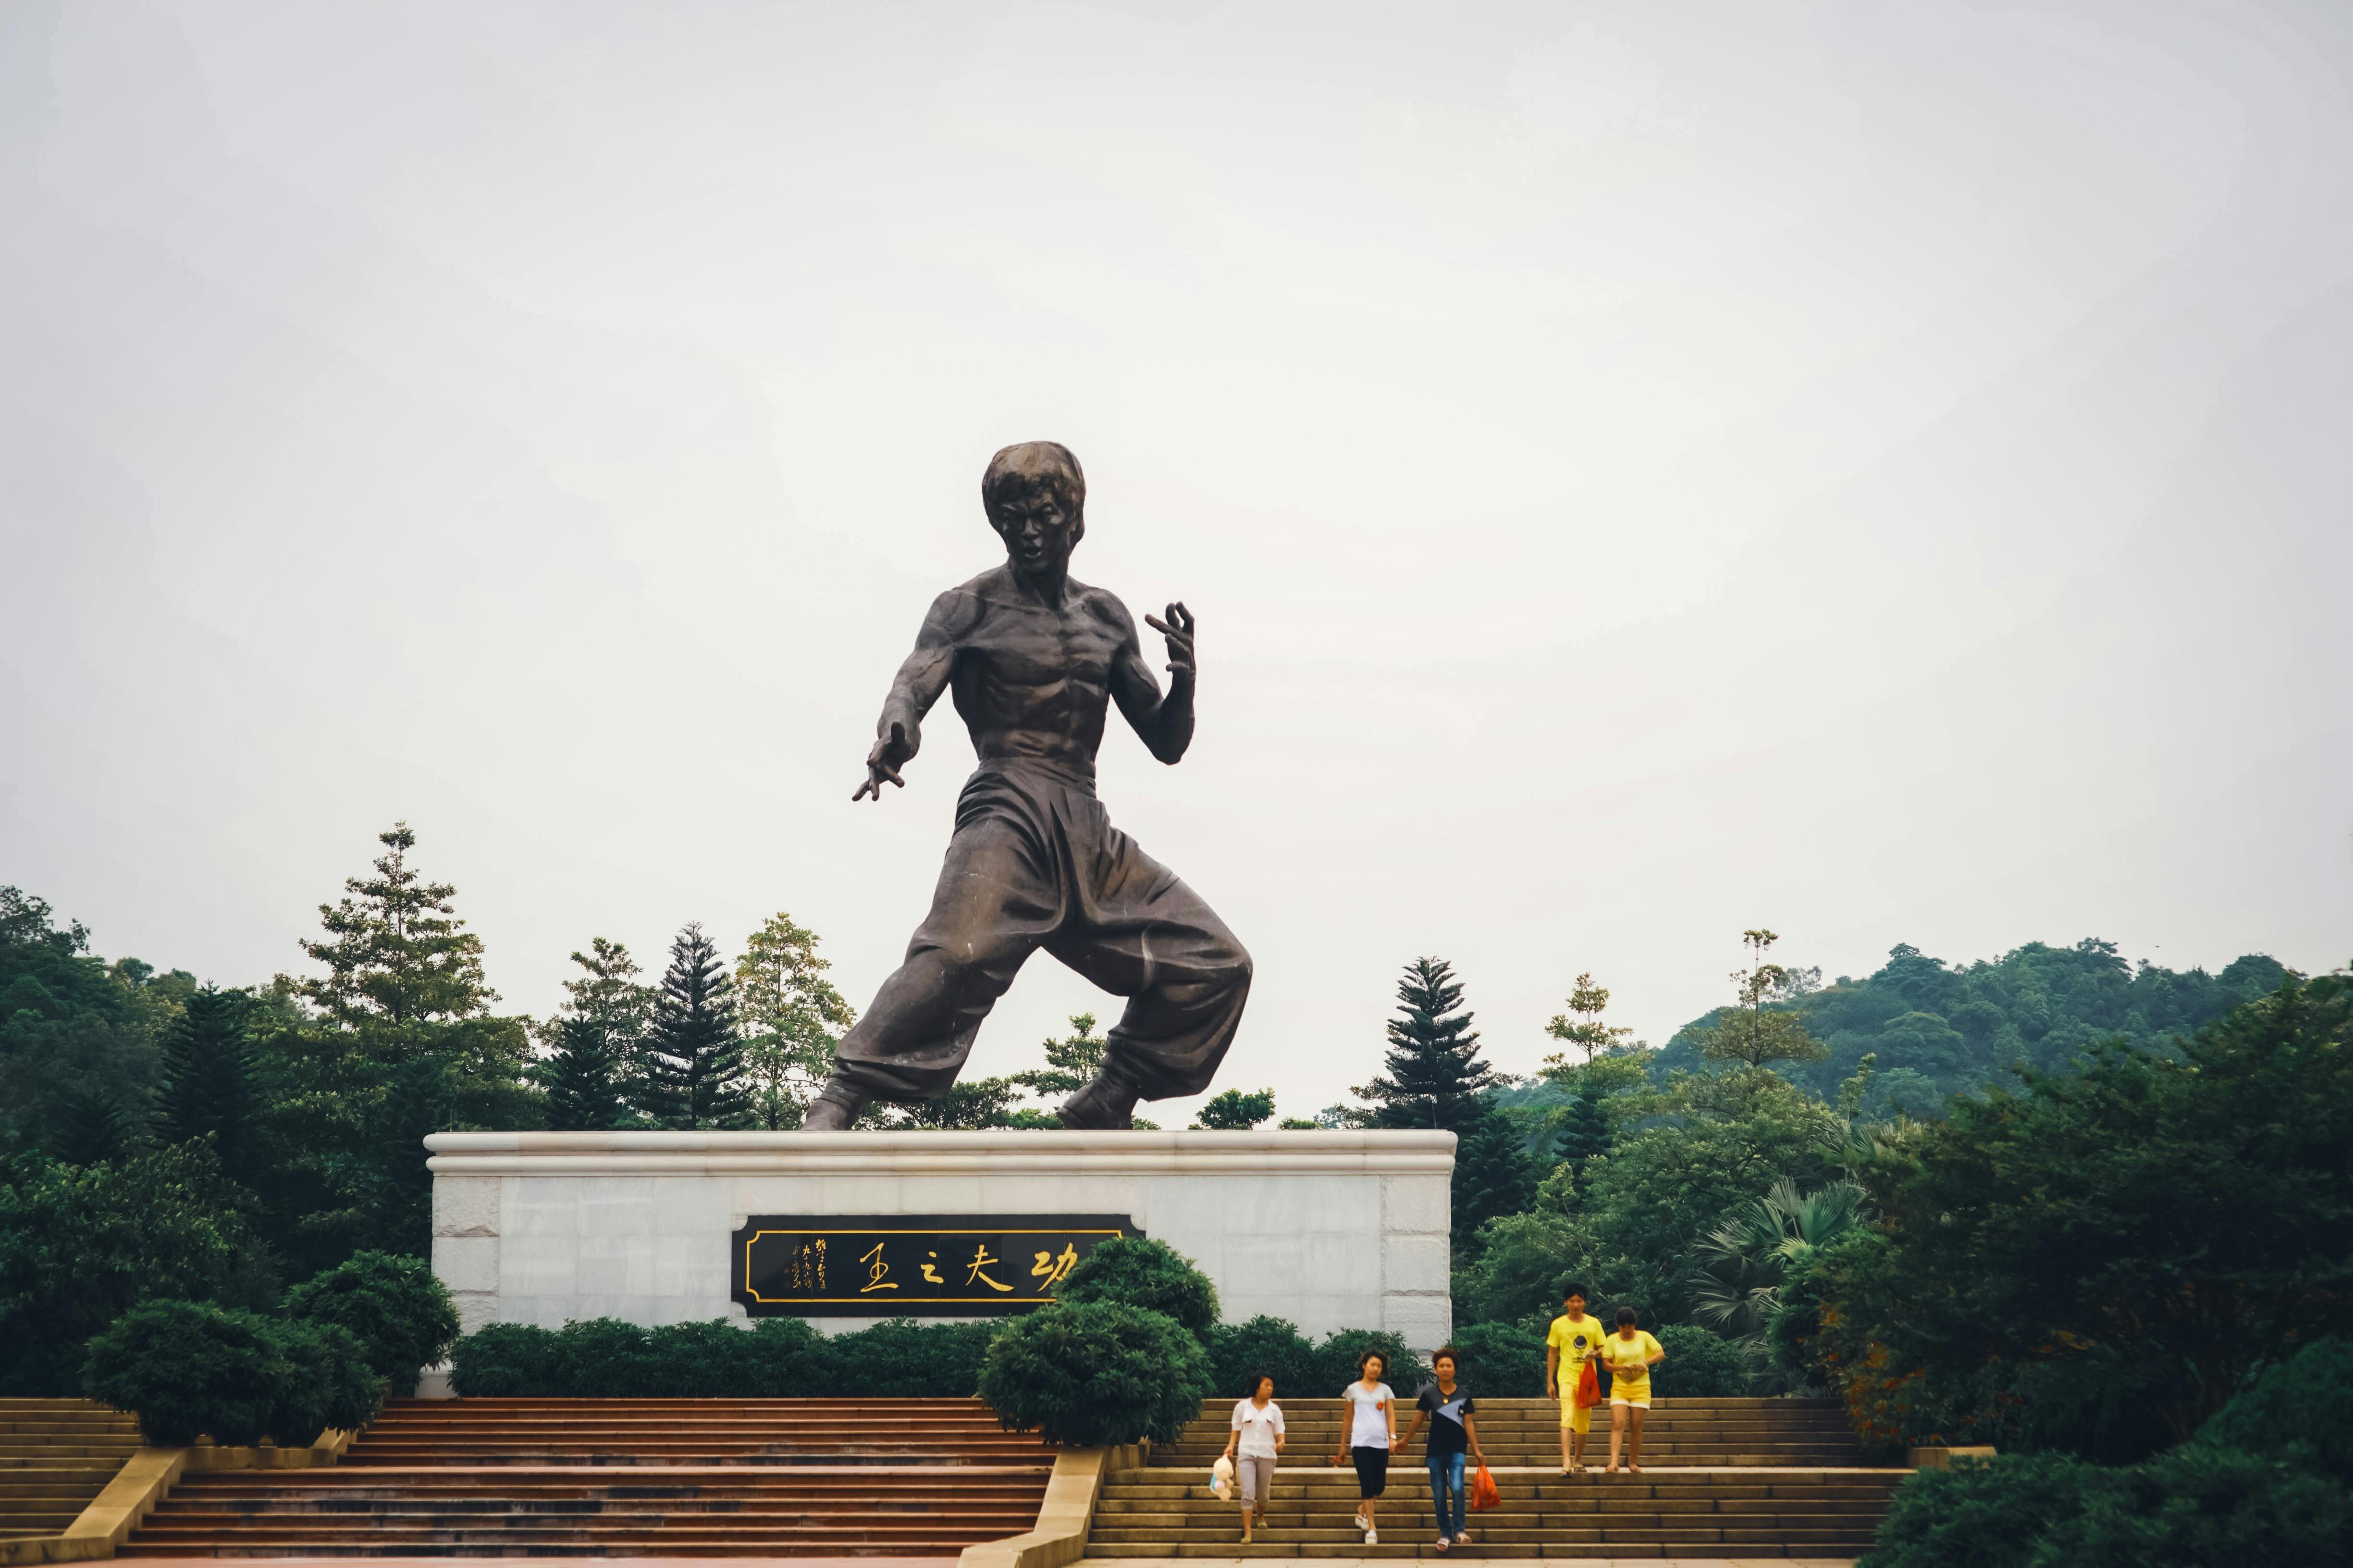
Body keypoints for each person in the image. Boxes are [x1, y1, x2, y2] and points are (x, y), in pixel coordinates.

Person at [801, 441, 1253, 1130]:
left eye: (1043, 515)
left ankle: (1109, 1096)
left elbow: (1165, 744)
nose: (1030, 532)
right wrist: (897, 730)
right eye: (1013, 519)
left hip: (1086, 822)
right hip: (1007, 807)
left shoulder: (1106, 618)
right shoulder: (967, 607)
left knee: (1217, 963)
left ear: (1076, 522)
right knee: (953, 953)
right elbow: (914, 680)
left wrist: (1186, 681)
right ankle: (840, 1097)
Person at [1396, 1346, 1486, 1553]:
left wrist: (1477, 1450)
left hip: (1458, 1449)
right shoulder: (1429, 1394)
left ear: (1455, 1370)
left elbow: (1469, 1423)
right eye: (1441, 1366)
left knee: (1457, 1488)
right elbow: (1419, 1419)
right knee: (1438, 1494)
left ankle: (1460, 1530)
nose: (1445, 1369)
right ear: (1436, 1370)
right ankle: (1445, 1534)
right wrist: (1405, 1440)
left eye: (1449, 1366)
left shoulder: (1464, 1394)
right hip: (1435, 1451)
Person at [1331, 1350, 1396, 1546]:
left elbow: (1391, 1415)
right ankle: (1372, 1529)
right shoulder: (1353, 1390)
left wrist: (1393, 1437)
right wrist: (1343, 1445)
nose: (1376, 1368)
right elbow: (1348, 1418)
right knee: (1367, 1484)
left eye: (1379, 1366)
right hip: (1360, 1443)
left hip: (1381, 1443)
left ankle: (1362, 1510)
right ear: (1364, 1366)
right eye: (1373, 1364)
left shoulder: (1385, 1390)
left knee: (1380, 1487)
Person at [1543, 1282, 1608, 1476]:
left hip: (1587, 1380)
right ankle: (1566, 1463)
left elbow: (1605, 1348)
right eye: (1572, 1301)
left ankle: (1577, 1460)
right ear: (1566, 1302)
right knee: (1567, 1417)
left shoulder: (1594, 1323)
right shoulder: (1558, 1324)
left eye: (1579, 1300)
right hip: (1566, 1377)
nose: (1576, 1304)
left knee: (1583, 1424)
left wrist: (1595, 1354)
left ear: (1585, 1302)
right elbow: (1553, 1353)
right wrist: (1550, 1381)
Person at [1220, 1373, 1285, 1543]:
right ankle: (1248, 1531)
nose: (1270, 1389)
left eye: (1272, 1386)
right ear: (1257, 1387)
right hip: (1246, 1453)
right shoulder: (1243, 1407)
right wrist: (1230, 1446)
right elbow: (1235, 1429)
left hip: (1267, 1455)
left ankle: (1261, 1515)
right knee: (1248, 1493)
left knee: (1263, 1495)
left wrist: (1281, 1442)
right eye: (1267, 1385)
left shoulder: (1275, 1410)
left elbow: (1280, 1431)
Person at [1601, 1307, 1666, 1474]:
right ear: (1619, 1326)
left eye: (1630, 1326)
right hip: (1620, 1387)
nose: (1627, 1330)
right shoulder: (1612, 1340)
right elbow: (1606, 1365)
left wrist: (1646, 1362)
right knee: (1618, 1424)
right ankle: (1614, 1462)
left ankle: (1633, 1463)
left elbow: (1660, 1353)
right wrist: (1621, 1368)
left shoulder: (1644, 1337)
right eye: (1623, 1327)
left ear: (1634, 1325)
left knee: (1636, 1425)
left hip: (1641, 1387)